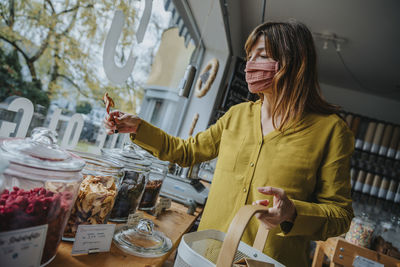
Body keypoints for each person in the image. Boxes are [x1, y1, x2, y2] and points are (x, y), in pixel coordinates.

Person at [103, 21, 354, 267]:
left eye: (262, 55)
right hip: (204, 255)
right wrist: (139, 128)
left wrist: (292, 213)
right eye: (249, 56)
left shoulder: (331, 131)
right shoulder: (238, 114)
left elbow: (340, 216)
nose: (251, 64)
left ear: (292, 63)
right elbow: (187, 151)